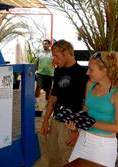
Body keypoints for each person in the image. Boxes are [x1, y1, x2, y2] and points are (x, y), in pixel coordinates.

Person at [67, 51, 118, 167]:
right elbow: (86, 111)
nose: (87, 72)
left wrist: (90, 123)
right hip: (83, 139)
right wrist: (76, 124)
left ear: (105, 70)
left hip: (103, 147)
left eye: (91, 70)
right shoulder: (90, 84)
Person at [41, 39, 89, 167]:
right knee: (53, 159)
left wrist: (77, 130)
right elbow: (53, 97)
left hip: (70, 126)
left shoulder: (82, 74)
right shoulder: (58, 71)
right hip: (56, 121)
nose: (54, 60)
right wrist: (46, 120)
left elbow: (86, 104)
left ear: (67, 53)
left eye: (56, 56)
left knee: (67, 162)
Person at [35, 39, 54, 116]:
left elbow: (55, 62)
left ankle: (46, 106)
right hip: (40, 73)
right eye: (43, 44)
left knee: (48, 90)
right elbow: (36, 62)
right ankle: (36, 104)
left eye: (46, 44)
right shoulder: (40, 53)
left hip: (49, 74)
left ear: (49, 45)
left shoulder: (52, 53)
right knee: (38, 87)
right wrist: (34, 70)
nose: (44, 45)